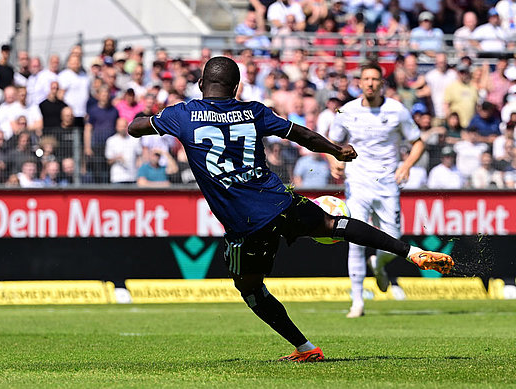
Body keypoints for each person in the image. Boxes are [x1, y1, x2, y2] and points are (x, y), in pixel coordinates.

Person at [128, 56, 454, 362]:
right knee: (333, 224)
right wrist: (336, 150)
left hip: (245, 224)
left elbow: (135, 128)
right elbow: (301, 135)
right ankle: (410, 252)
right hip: (279, 201)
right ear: (237, 87)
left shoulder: (181, 114)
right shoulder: (252, 111)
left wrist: (151, 119)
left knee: (251, 289)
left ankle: (306, 347)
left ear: (201, 84)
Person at [328, 62, 428, 319]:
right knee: (355, 239)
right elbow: (331, 141)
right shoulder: (347, 111)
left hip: (387, 184)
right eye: (366, 79)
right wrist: (334, 161)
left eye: (375, 79)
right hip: (357, 183)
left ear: (382, 83)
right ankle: (357, 301)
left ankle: (379, 264)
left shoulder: (396, 111)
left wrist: (406, 165)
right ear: (359, 83)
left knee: (395, 239)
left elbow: (417, 142)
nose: (370, 83)